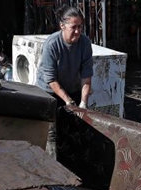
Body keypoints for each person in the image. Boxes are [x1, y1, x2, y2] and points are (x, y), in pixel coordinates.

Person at [37, 5, 94, 156]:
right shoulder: (52, 44)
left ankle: (72, 165)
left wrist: (83, 103)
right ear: (62, 26)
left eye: (80, 27)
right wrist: (68, 101)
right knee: (52, 133)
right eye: (74, 27)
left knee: (75, 129)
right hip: (50, 90)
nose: (78, 31)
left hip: (72, 86)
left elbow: (86, 77)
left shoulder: (85, 43)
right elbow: (51, 80)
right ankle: (53, 169)